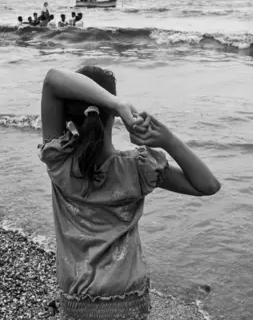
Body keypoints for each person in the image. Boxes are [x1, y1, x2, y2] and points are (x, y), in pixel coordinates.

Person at [38, 66, 221, 320]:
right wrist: (168, 140)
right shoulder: (137, 169)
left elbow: (52, 80)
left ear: (69, 114)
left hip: (77, 299)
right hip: (128, 300)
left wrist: (116, 103)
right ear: (113, 117)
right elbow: (208, 185)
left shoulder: (60, 162)